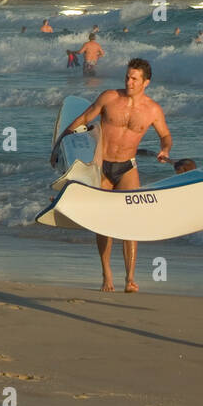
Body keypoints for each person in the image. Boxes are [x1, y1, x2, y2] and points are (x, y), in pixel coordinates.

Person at [65, 59, 172, 293]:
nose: (129, 81)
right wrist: (62, 140)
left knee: (130, 223)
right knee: (104, 224)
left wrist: (165, 149)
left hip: (127, 167)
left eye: (134, 78)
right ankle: (107, 274)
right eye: (127, 76)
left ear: (146, 82)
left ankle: (130, 278)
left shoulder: (152, 110)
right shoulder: (109, 97)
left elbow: (165, 135)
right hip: (101, 165)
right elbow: (85, 119)